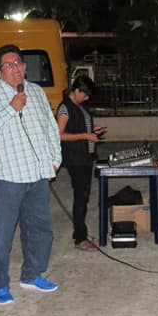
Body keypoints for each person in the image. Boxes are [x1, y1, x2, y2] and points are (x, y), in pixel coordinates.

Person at [0, 44, 63, 306]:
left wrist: (54, 160)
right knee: (1, 235)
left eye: (18, 64)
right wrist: (11, 108)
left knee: (40, 230)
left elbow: (50, 128)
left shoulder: (36, 91)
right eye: (8, 65)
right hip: (7, 179)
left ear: (24, 67)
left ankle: (32, 275)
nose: (15, 69)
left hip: (37, 176)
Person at [56, 75, 105, 251]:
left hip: (85, 157)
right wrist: (85, 135)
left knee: (83, 197)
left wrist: (92, 130)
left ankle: (81, 232)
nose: (86, 98)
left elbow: (79, 126)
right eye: (84, 95)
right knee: (80, 198)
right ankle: (80, 238)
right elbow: (59, 135)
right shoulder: (64, 108)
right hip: (75, 158)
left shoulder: (79, 105)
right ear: (76, 90)